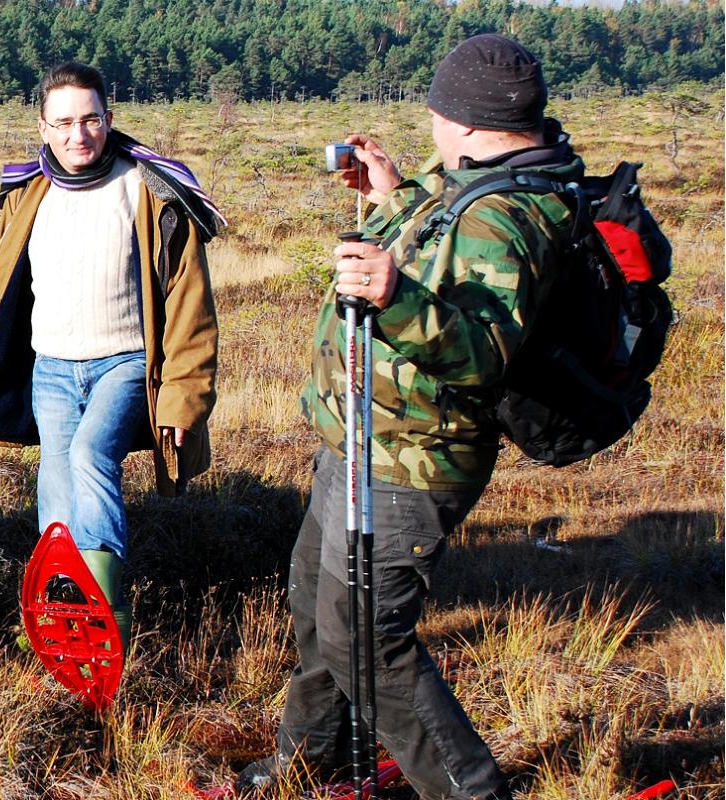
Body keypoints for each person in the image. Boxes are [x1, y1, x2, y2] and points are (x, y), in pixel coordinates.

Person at [235, 34, 581, 799]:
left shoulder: (507, 215)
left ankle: (471, 792)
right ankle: (313, 757)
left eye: (437, 105)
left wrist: (394, 297)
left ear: (463, 117)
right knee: (319, 611)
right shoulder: (472, 178)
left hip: (407, 463)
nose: (429, 119)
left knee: (368, 639)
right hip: (360, 441)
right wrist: (392, 194)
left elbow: (480, 349)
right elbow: (442, 261)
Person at [0, 62, 221, 645]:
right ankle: (58, 615)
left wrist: (185, 401)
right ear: (43, 127)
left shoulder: (151, 193)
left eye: (90, 119)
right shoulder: (27, 194)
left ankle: (106, 613)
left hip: (127, 364)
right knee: (58, 490)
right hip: (53, 369)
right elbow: (6, 289)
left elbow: (191, 306)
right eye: (63, 122)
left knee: (91, 454)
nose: (78, 134)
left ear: (109, 119)